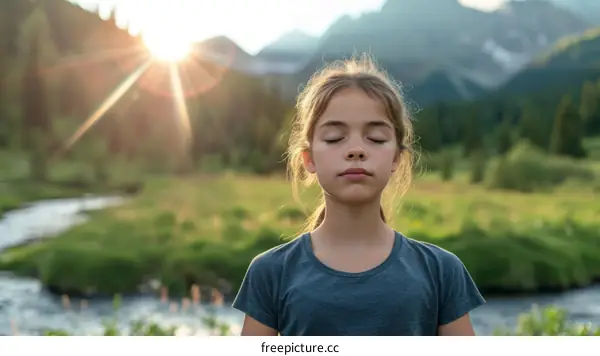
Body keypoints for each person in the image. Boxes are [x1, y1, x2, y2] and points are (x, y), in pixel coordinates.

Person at [232, 55, 486, 336]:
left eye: (375, 138)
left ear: (396, 159)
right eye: (334, 138)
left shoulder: (440, 271)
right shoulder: (271, 272)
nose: (356, 150)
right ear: (309, 158)